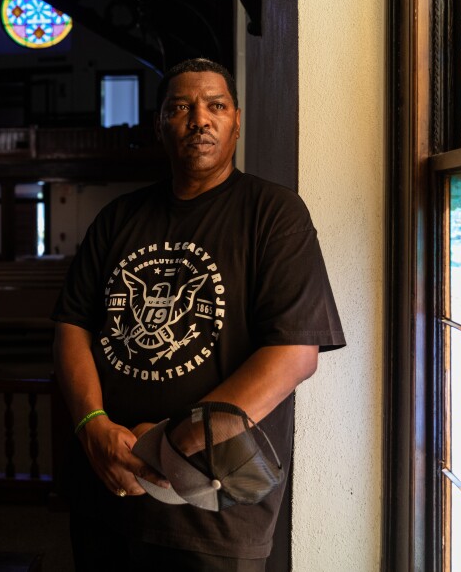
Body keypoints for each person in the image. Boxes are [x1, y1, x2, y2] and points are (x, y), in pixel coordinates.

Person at [52, 57, 346, 571]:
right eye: (181, 107)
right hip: (106, 489)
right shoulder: (117, 218)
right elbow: (72, 325)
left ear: (236, 122)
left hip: (214, 504)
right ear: (160, 125)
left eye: (215, 106)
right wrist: (92, 426)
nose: (199, 119)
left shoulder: (273, 214)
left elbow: (294, 354)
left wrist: (166, 443)